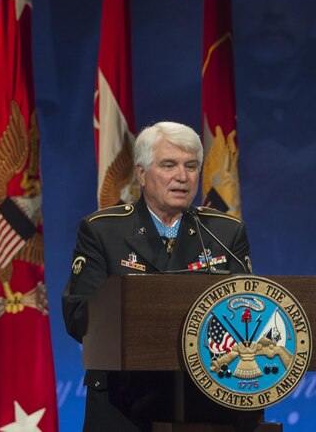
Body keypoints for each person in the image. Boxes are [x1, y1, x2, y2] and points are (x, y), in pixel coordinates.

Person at [62, 121, 252, 432]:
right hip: (123, 402)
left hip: (204, 400)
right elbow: (78, 316)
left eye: (191, 166)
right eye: (169, 165)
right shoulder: (103, 231)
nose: (182, 176)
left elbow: (247, 309)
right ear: (141, 173)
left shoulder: (225, 233)